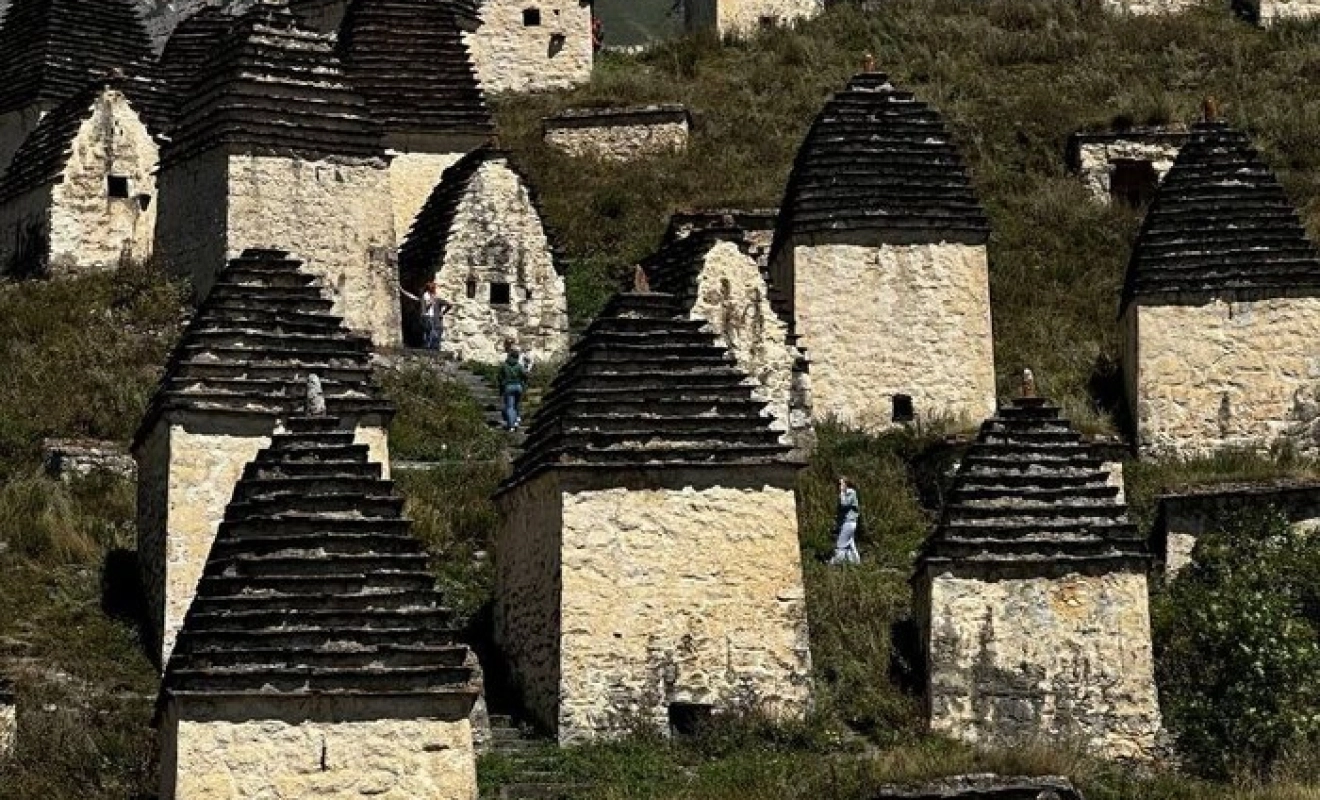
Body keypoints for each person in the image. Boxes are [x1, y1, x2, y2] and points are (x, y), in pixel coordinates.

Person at [400, 280, 451, 350]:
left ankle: (430, 347)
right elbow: (413, 297)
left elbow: (449, 305)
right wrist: (402, 290)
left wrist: (442, 313)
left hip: (432, 319)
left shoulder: (436, 299)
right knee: (428, 333)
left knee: (433, 333)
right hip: (427, 318)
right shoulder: (426, 298)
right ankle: (428, 347)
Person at [829, 477, 861, 565]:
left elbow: (845, 504)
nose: (839, 486)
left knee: (840, 545)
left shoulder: (851, 492)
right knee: (851, 545)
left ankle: (834, 563)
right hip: (846, 522)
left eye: (841, 483)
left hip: (849, 522)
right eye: (838, 484)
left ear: (846, 484)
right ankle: (856, 563)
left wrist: (842, 493)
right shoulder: (844, 494)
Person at [498, 343, 528, 431]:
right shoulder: (519, 366)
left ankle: (511, 425)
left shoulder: (504, 365)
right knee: (516, 405)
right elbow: (525, 375)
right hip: (518, 386)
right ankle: (516, 420)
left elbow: (499, 377)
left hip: (508, 386)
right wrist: (523, 383)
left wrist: (501, 387)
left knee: (510, 407)